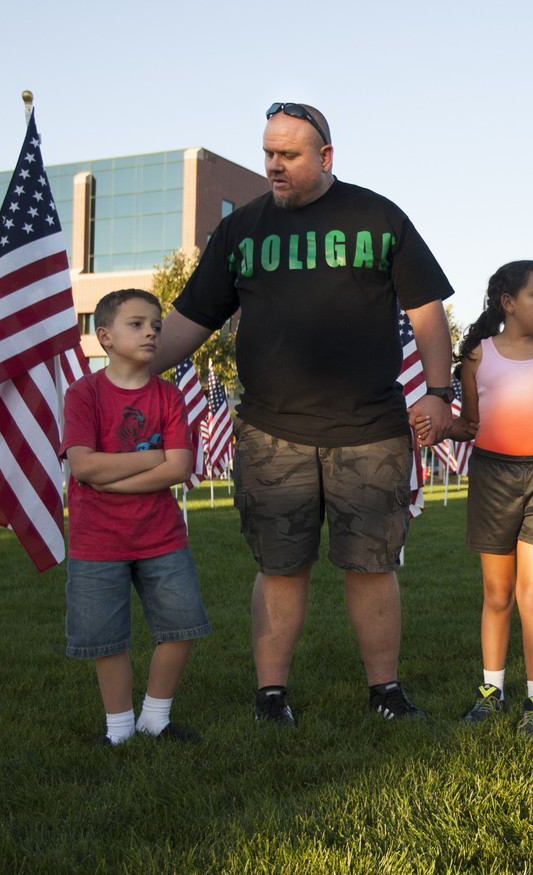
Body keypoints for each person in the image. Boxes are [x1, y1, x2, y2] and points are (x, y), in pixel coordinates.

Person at [151, 102, 456, 725]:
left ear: (326, 157)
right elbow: (193, 317)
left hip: (370, 430)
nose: (274, 166)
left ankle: (386, 694)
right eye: (268, 153)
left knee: (372, 565)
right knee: (280, 566)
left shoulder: (379, 217)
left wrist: (436, 390)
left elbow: (426, 311)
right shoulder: (240, 232)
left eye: (287, 155)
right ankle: (271, 697)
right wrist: (132, 368)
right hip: (271, 432)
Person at [62, 288, 210, 745]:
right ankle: (119, 729)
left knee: (182, 626)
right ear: (104, 336)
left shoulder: (168, 396)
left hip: (161, 537)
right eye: (137, 323)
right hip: (96, 539)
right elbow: (83, 465)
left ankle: (156, 719)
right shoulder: (83, 394)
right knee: (106, 639)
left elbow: (180, 467)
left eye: (156, 326)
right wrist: (154, 460)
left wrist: (109, 478)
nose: (150, 331)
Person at [449, 261, 533, 736]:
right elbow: (469, 424)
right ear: (508, 302)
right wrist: (438, 425)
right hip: (491, 478)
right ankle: (491, 692)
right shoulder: (477, 358)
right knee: (498, 593)